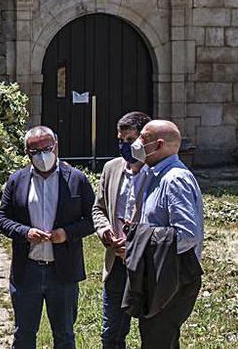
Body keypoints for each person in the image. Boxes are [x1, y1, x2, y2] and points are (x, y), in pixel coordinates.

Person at [0, 126, 95, 349]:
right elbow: (2, 219)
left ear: (56, 146)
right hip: (27, 271)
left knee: (64, 335)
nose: (42, 154)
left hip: (63, 273)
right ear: (27, 152)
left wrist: (67, 233)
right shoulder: (17, 180)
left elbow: (92, 219)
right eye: (35, 151)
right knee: (23, 335)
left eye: (47, 148)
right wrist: (24, 232)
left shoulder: (76, 179)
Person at [128, 120, 205, 349]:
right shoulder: (156, 174)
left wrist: (141, 239)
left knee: (158, 339)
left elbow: (187, 234)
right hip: (158, 273)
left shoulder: (174, 179)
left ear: (159, 144)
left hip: (172, 276)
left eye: (143, 137)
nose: (137, 143)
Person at [92, 111, 152, 349]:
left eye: (130, 140)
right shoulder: (111, 168)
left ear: (143, 140)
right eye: (120, 140)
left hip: (148, 264)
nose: (124, 146)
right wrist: (105, 231)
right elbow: (98, 208)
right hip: (116, 262)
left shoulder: (157, 172)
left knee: (152, 333)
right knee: (111, 333)